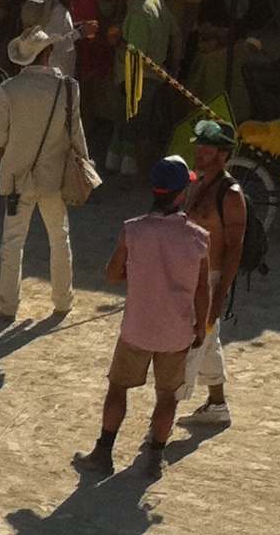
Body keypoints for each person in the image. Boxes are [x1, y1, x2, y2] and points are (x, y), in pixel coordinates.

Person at [84, 155, 211, 476]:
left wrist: (138, 272)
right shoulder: (198, 238)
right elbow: (202, 290)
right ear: (181, 194)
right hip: (176, 331)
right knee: (167, 396)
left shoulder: (133, 230)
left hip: (137, 328)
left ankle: (103, 452)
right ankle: (154, 458)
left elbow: (112, 275)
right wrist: (201, 327)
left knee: (118, 388)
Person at [0, 25, 90, 321]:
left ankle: (8, 306)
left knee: (12, 243)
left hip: (17, 177)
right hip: (53, 176)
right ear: (48, 53)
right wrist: (86, 164)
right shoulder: (68, 87)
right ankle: (62, 300)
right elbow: (76, 134)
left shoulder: (9, 89)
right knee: (60, 238)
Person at [181, 117, 246, 428]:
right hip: (188, 276)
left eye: (206, 149)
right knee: (208, 341)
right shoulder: (196, 183)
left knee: (190, 345)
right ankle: (217, 404)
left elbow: (234, 249)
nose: (199, 152)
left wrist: (219, 296)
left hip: (209, 281)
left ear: (223, 154)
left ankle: (162, 418)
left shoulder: (231, 195)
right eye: (199, 147)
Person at [113, 0, 177, 175]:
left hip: (138, 76)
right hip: (155, 75)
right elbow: (176, 33)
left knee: (132, 124)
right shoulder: (157, 1)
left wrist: (118, 42)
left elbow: (136, 53)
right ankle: (122, 161)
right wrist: (173, 64)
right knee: (133, 122)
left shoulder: (139, 11)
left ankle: (130, 168)